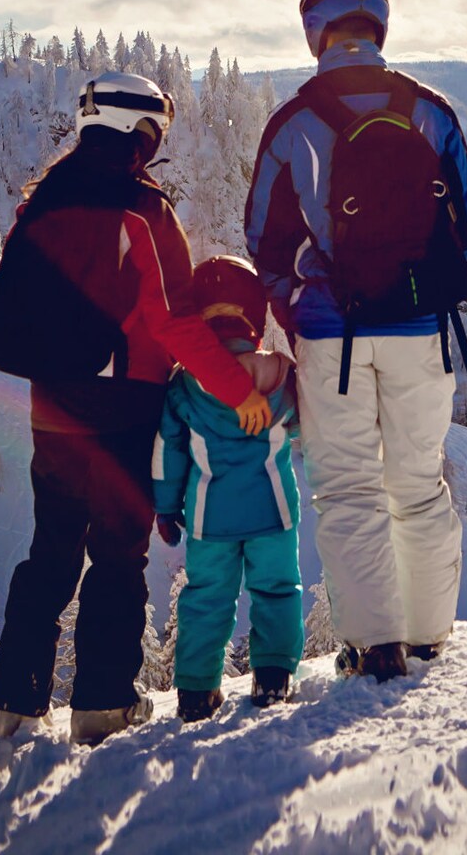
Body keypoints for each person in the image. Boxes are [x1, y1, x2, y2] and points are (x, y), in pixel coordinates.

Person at [0, 72, 272, 746]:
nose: (153, 145)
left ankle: (17, 704)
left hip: (53, 400)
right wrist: (238, 388)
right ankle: (102, 705)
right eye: (152, 133)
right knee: (117, 551)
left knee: (50, 547)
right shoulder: (142, 208)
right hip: (124, 402)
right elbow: (173, 320)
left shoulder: (42, 200)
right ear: (131, 130)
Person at [245, 0, 467, 681]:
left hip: (332, 330)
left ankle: (375, 647)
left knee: (347, 487)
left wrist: (296, 305)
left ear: (316, 29)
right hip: (421, 331)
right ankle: (430, 635)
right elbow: (466, 229)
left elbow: (263, 238)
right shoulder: (431, 111)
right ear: (378, 22)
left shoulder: (294, 122)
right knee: (417, 482)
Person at [154, 256, 304, 721]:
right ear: (254, 315)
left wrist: (165, 507)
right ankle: (274, 677)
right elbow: (301, 426)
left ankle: (197, 691)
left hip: (208, 517)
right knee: (277, 589)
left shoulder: (184, 385)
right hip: (273, 513)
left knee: (205, 597)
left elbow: (168, 451)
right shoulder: (280, 373)